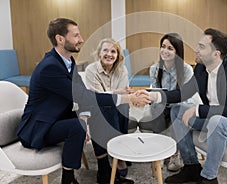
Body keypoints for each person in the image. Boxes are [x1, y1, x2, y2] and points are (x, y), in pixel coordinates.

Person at [16, 18, 149, 184]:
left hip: (57, 118)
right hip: (39, 128)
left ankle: (104, 172)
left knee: (96, 113)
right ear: (60, 39)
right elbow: (85, 96)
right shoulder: (49, 67)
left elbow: (84, 94)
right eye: (76, 35)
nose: (81, 39)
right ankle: (68, 179)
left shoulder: (68, 61)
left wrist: (84, 117)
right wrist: (128, 98)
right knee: (77, 126)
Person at [147, 28, 227, 184]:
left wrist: (197, 109)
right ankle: (191, 167)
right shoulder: (201, 69)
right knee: (177, 110)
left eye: (202, 47)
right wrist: (155, 95)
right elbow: (183, 92)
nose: (196, 50)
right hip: (214, 119)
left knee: (217, 121)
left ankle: (209, 178)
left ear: (216, 53)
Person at [85, 38, 133, 178]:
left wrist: (119, 95)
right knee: (107, 106)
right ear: (99, 53)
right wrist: (118, 93)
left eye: (113, 51)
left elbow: (123, 95)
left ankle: (119, 154)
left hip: (117, 110)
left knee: (122, 106)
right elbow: (98, 97)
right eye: (105, 50)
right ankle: (116, 156)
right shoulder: (91, 70)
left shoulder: (122, 69)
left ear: (118, 55)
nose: (109, 54)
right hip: (95, 108)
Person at [147, 33, 194, 171]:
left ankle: (175, 153)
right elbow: (155, 93)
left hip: (179, 105)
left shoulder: (186, 70)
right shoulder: (154, 69)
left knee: (177, 109)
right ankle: (160, 152)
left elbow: (186, 95)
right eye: (163, 46)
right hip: (161, 105)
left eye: (170, 48)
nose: (165, 51)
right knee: (157, 109)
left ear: (177, 52)